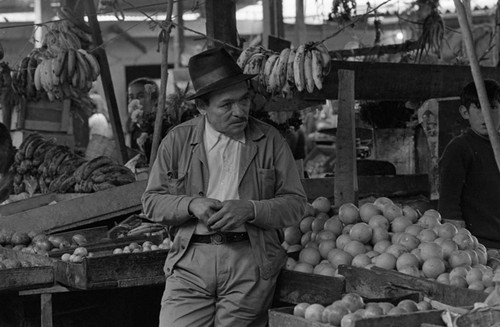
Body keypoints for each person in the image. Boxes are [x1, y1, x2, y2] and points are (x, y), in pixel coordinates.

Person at [142, 47, 307, 327]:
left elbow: (295, 205)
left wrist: (251, 209)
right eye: (226, 105)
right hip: (190, 262)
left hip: (250, 262)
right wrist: (191, 204)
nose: (239, 111)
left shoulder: (270, 141)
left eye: (244, 100)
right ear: (202, 107)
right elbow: (152, 201)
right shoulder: (178, 141)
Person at [438, 79, 500, 248]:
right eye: (478, 107)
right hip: (479, 247)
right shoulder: (459, 148)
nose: (486, 114)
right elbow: (448, 206)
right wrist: (462, 247)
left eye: (493, 107)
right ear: (465, 112)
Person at [127, 77, 159, 158]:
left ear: (154, 99)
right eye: (131, 97)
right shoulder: (132, 125)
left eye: (140, 96)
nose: (134, 101)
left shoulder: (163, 124)